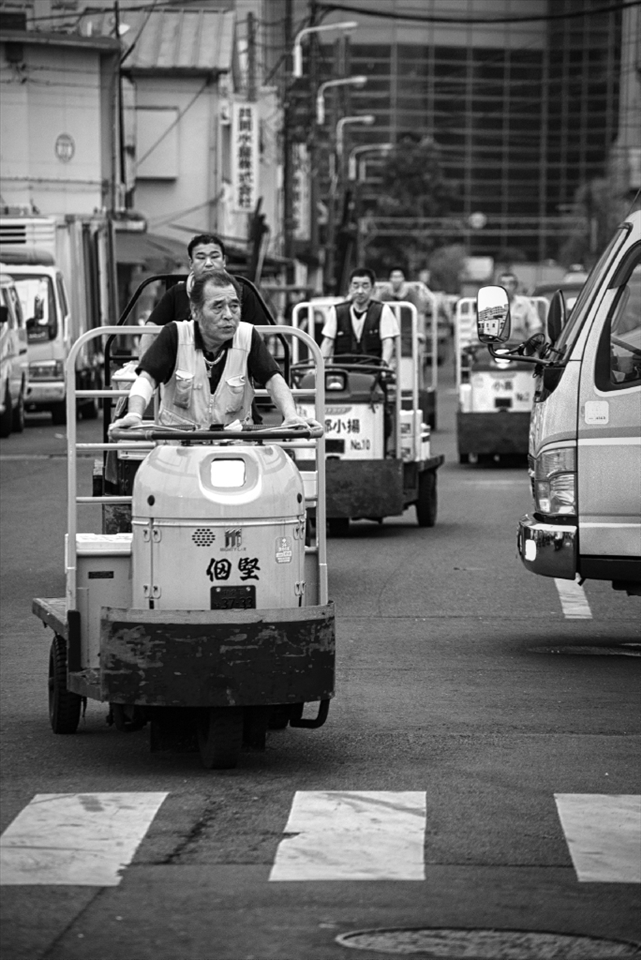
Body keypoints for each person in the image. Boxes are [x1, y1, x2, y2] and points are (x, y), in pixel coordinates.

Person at [112, 270, 312, 432]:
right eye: (217, 307)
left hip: (234, 447)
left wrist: (291, 415)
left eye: (234, 306)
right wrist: (134, 415)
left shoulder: (248, 335)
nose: (228, 315)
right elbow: (147, 379)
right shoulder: (175, 334)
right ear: (196, 311)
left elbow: (273, 379)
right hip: (179, 448)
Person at [145, 233, 270, 330]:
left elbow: (260, 334)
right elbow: (151, 330)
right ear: (191, 263)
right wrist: (145, 362)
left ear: (224, 261)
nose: (208, 263)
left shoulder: (243, 291)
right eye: (201, 258)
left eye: (215, 257)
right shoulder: (176, 293)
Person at [320, 267, 400, 366]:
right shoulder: (337, 311)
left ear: (373, 289)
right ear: (349, 288)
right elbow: (328, 342)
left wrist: (384, 366)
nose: (360, 291)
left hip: (372, 371)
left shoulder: (383, 310)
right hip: (342, 371)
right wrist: (319, 367)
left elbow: (388, 343)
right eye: (355, 286)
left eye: (365, 286)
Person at [497, 271, 543, 341]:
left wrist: (531, 344)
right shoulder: (490, 304)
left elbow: (535, 327)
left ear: (515, 286)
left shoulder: (525, 303)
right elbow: (477, 331)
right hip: (494, 346)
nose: (507, 287)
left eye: (511, 284)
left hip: (518, 347)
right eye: (503, 284)